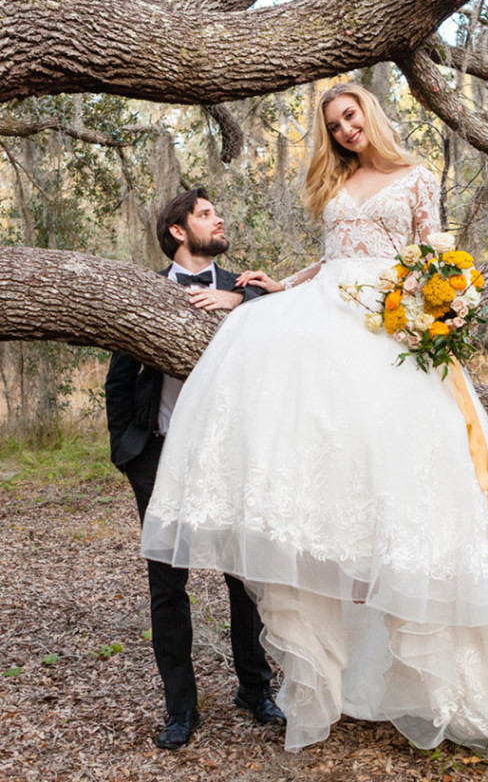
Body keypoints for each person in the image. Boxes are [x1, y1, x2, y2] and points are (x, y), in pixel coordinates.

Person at [140, 83, 488, 760]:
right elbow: (332, 262)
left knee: (411, 500)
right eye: (334, 124)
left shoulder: (415, 177)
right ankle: (335, 666)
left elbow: (431, 259)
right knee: (324, 470)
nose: (346, 129)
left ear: (371, 115)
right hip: (325, 315)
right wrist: (271, 290)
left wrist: (439, 313)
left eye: (351, 116)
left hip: (388, 331)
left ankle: (440, 672)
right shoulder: (335, 180)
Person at [105, 189, 285, 750]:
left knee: (244, 579)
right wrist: (130, 455)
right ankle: (180, 710)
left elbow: (290, 346)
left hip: (231, 457)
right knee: (167, 585)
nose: (219, 218)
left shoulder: (252, 290)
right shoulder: (146, 292)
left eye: (216, 212)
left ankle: (255, 692)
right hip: (161, 457)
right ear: (178, 231)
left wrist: (241, 302)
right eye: (205, 214)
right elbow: (118, 381)